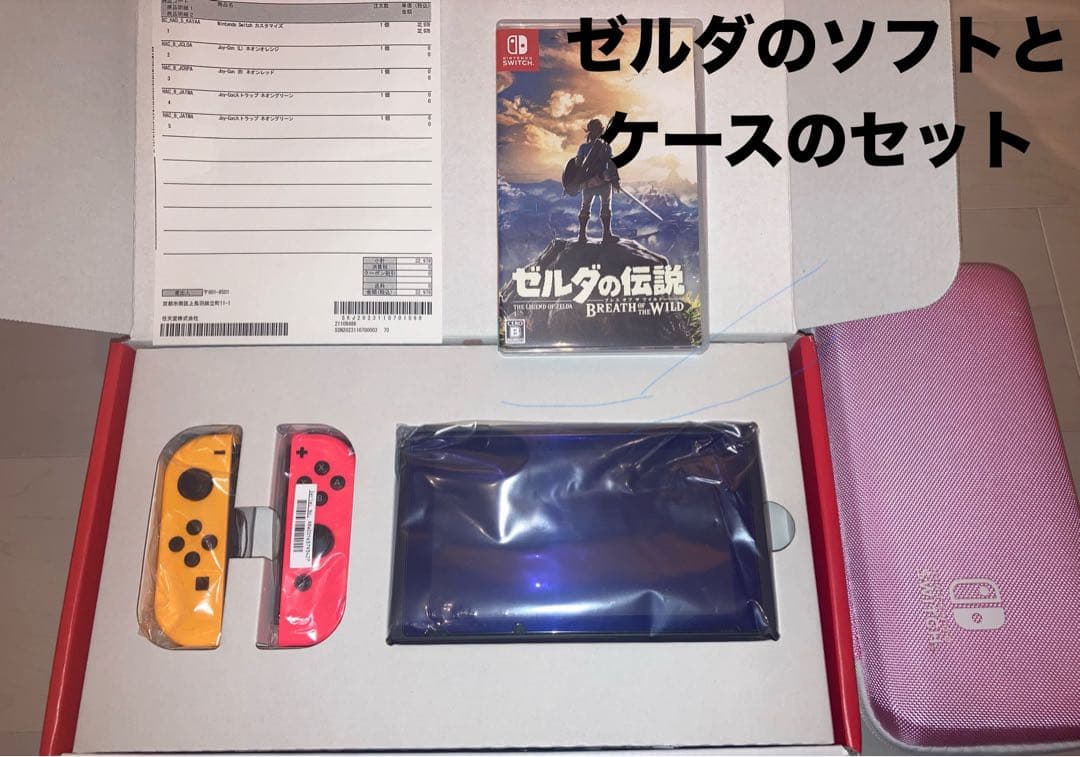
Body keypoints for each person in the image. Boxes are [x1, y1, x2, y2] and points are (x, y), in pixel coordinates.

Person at [574, 118, 621, 243]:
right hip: (603, 182)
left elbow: (578, 163)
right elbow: (611, 164)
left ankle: (582, 235)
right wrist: (615, 180)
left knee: (585, 207)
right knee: (605, 206)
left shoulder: (583, 147)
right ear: (601, 131)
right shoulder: (606, 147)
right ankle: (606, 235)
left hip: (587, 183)